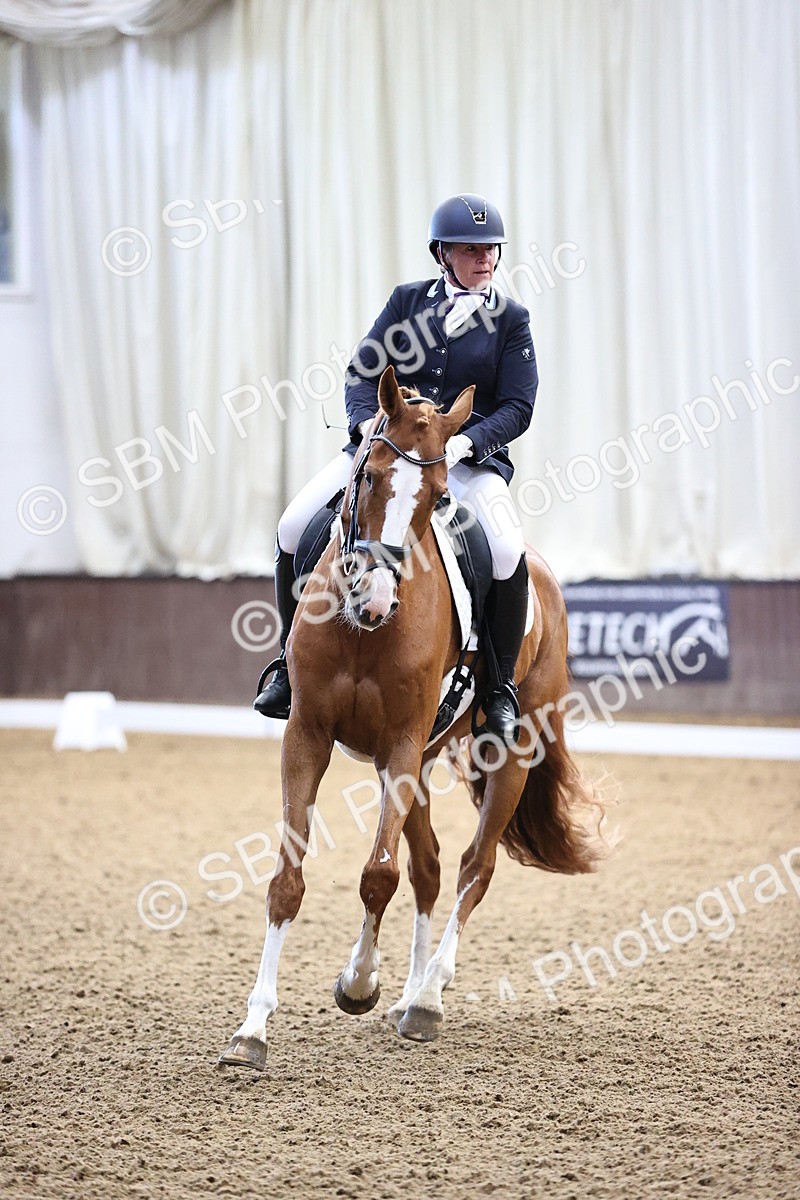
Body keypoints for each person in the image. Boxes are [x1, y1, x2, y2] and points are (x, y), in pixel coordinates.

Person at [254, 192, 538, 743]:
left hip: (462, 462)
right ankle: (287, 664)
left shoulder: (511, 320)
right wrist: (365, 424)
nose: (484, 258)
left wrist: (465, 443)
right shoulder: (407, 302)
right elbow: (363, 371)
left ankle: (499, 687)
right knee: (292, 525)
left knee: (506, 551)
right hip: (386, 454)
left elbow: (518, 407)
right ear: (442, 253)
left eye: (490, 249)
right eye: (470, 249)